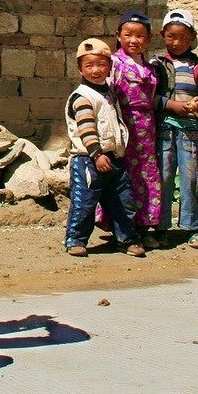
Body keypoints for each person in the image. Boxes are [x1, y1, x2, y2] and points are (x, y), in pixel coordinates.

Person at [64, 37, 146, 258]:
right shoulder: (83, 97)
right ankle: (75, 240)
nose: (96, 70)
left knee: (122, 202)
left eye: (101, 65)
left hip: (114, 158)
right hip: (89, 161)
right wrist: (96, 154)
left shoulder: (107, 92)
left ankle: (126, 239)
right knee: (85, 203)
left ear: (109, 66)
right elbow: (86, 129)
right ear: (80, 69)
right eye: (89, 66)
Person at [151, 9, 198, 250]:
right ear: (162, 35)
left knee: (191, 178)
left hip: (191, 131)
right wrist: (171, 105)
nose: (177, 43)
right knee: (163, 177)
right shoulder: (156, 65)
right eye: (171, 36)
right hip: (164, 129)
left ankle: (193, 227)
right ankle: (161, 227)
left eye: (183, 38)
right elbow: (150, 97)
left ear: (193, 38)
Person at [110, 10, 162, 249]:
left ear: (148, 39)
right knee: (124, 178)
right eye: (128, 34)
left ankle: (144, 226)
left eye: (140, 36)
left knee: (147, 176)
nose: (134, 40)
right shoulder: (113, 63)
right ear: (119, 36)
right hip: (123, 126)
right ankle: (122, 227)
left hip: (147, 128)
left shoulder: (151, 68)